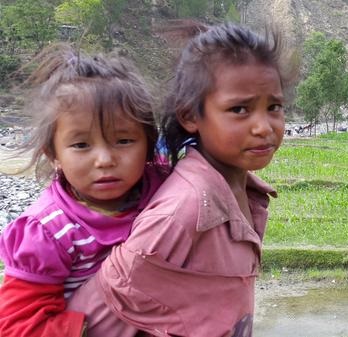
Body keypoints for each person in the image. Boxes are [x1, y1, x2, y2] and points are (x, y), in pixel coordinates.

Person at [68, 22, 298, 336]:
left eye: (274, 106)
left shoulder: (241, 191)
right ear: (190, 116)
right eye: (240, 109)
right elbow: (106, 301)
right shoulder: (183, 210)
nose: (264, 126)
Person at [0, 43, 165, 337]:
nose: (104, 160)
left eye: (124, 140)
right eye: (81, 145)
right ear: (53, 153)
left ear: (149, 143)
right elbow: (17, 326)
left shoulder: (165, 188)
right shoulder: (49, 232)